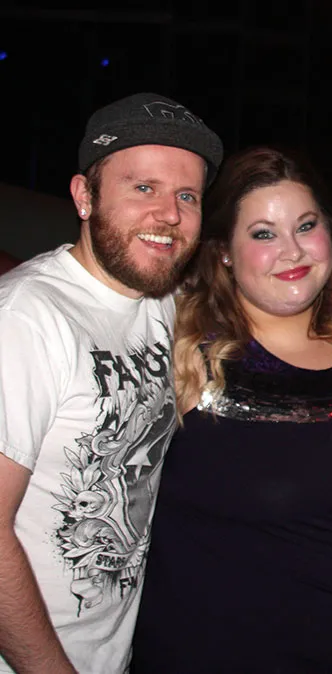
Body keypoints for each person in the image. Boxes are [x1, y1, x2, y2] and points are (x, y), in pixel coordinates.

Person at [130, 146, 332, 672]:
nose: (292, 251)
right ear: (224, 251)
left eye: (306, 227)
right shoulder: (177, 341)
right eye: (264, 234)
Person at [0, 93, 223, 674]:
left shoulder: (162, 303)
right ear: (84, 196)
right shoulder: (26, 317)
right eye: (144, 188)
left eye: (187, 196)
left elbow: (256, 281)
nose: (169, 214)